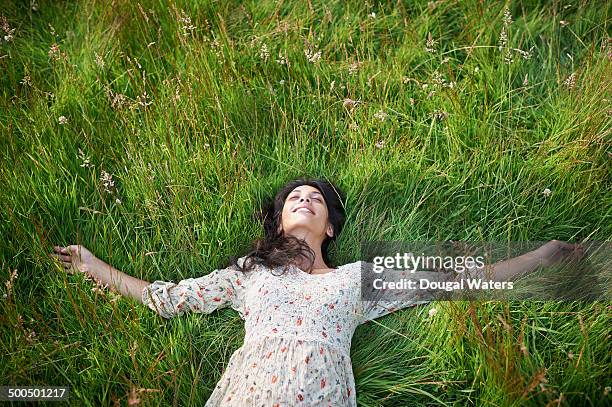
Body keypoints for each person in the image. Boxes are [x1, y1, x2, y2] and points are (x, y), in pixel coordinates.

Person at [50, 177, 584, 406]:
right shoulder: (250, 272)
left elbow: (452, 283)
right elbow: (164, 300)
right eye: (293, 198)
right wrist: (94, 266)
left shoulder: (357, 278)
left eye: (315, 198)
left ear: (329, 226)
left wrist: (540, 256)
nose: (304, 199)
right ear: (280, 222)